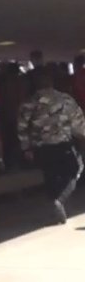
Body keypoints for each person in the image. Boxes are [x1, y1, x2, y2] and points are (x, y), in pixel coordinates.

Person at [17, 69, 85, 224]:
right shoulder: (65, 99)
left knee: (50, 176)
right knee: (76, 170)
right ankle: (60, 201)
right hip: (64, 144)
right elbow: (78, 121)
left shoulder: (28, 103)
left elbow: (22, 127)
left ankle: (56, 206)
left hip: (42, 147)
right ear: (52, 82)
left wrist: (26, 148)